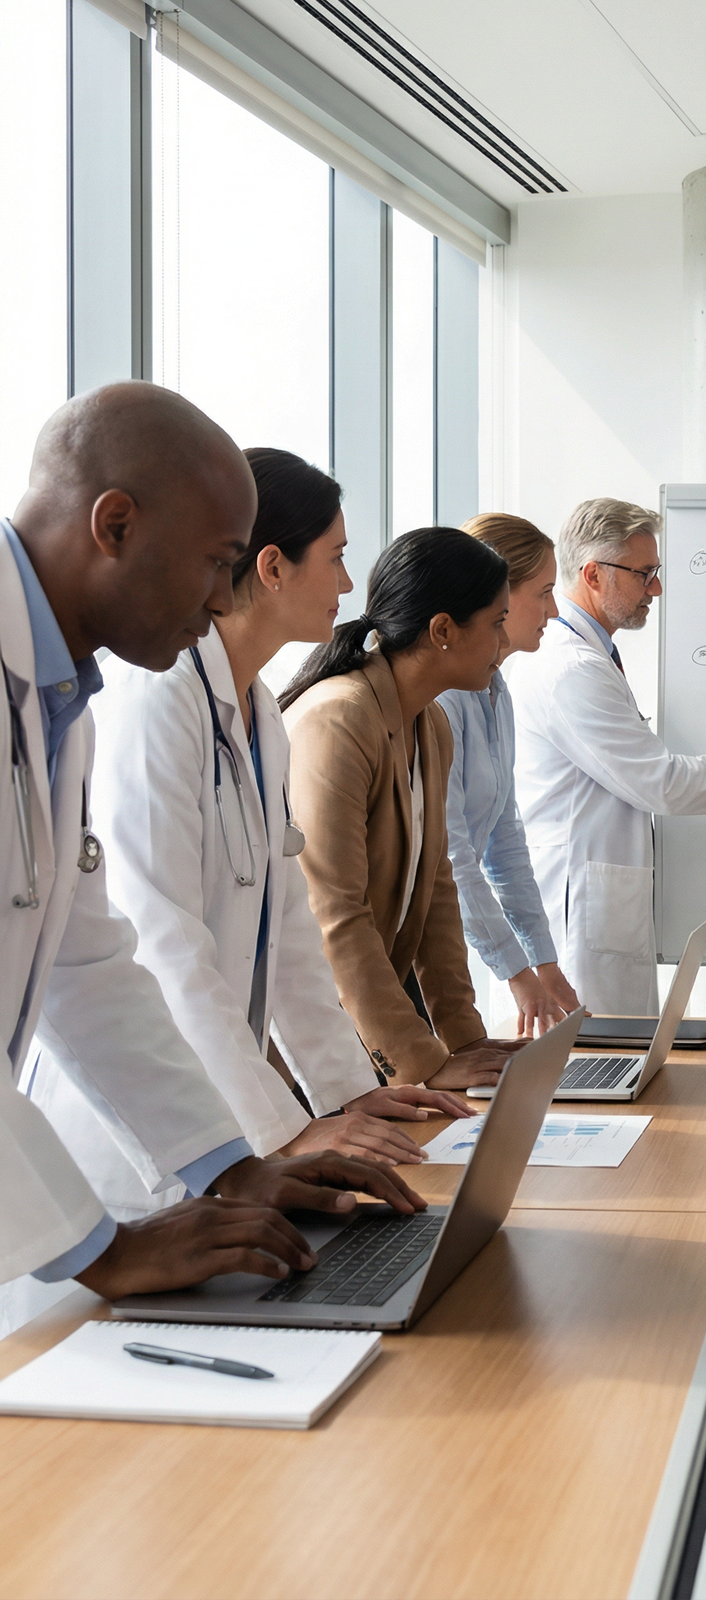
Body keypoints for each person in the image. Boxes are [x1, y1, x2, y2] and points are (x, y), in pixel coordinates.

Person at [1, 384, 423, 1328]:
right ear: (115, 524)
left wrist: (237, 1166)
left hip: (78, 1197)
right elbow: (166, 940)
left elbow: (88, 960)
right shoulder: (119, 702)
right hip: (59, 1199)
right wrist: (99, 1247)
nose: (225, 598)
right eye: (216, 563)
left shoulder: (58, 699)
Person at [33, 450, 471, 1220]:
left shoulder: (262, 713)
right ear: (270, 566)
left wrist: (347, 1098)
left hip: (218, 1130)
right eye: (334, 559)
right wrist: (287, 1132)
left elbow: (293, 934)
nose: (346, 585)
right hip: (128, 1146)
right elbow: (165, 944)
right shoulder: (158, 700)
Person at [505, 498, 706, 1015]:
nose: (658, 589)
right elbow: (661, 784)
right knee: (592, 1075)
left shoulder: (589, 658)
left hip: (596, 904)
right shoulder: (571, 670)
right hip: (577, 917)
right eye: (645, 574)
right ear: (594, 574)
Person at [281, 529, 527, 1090]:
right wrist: (423, 1064)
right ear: (442, 630)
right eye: (495, 622)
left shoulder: (431, 724)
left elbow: (437, 887)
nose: (504, 640)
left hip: (355, 1040)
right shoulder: (340, 721)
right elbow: (335, 913)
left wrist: (466, 1042)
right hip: (302, 1053)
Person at [439, 513, 578, 1035]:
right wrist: (517, 972)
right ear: (498, 594)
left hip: (448, 937)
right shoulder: (446, 699)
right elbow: (453, 854)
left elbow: (505, 840)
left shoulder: (497, 692)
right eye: (542, 592)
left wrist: (542, 961)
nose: (554, 610)